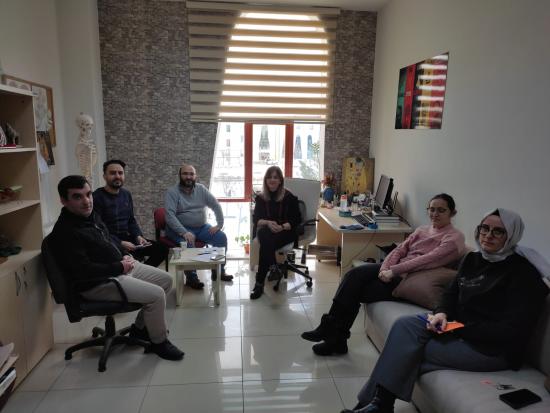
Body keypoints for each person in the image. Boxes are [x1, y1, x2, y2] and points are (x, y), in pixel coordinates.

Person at [341, 208, 549, 413]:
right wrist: (441, 313)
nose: (488, 235)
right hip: (457, 328)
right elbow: (450, 293)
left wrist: (457, 329)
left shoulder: (524, 274)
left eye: (498, 231)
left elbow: (510, 330)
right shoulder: (474, 259)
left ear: (511, 235)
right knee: (404, 326)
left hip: (491, 350)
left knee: (407, 350)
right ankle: (377, 404)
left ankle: (378, 405)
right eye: (484, 228)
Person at [302, 193, 465, 356]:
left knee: (357, 291)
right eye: (432, 209)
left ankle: (334, 338)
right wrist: (385, 268)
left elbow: (426, 260)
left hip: (408, 279)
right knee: (352, 275)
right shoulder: (422, 229)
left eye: (441, 210)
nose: (435, 214)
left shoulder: (454, 238)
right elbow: (400, 249)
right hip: (396, 269)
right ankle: (333, 335)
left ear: (452, 213)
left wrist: (393, 271)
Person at [51, 175, 184, 361]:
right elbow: (84, 270)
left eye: (88, 194)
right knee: (156, 295)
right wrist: (119, 266)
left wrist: (123, 253)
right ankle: (159, 343)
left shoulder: (90, 216)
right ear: (64, 201)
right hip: (98, 282)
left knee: (166, 280)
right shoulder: (66, 232)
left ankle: (140, 329)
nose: (86, 201)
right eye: (77, 197)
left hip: (118, 267)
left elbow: (108, 239)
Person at [164, 164, 233, 289]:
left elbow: (215, 205)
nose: (188, 177)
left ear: (195, 176)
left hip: (201, 227)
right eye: (185, 174)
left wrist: (219, 224)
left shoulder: (201, 189)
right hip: (179, 229)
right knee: (189, 243)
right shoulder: (172, 192)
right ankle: (192, 278)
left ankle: (218, 270)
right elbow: (169, 216)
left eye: (191, 174)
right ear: (180, 175)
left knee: (221, 237)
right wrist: (184, 232)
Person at [93, 159, 167, 268]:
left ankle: (142, 274)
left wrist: (138, 236)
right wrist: (120, 243)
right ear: (104, 176)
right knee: (131, 260)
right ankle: (137, 271)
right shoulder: (96, 197)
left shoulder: (126, 194)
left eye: (120, 173)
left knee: (162, 249)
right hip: (109, 241)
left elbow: (131, 220)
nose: (117, 176)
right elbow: (98, 230)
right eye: (113, 173)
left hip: (128, 238)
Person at [250, 166, 301, 300]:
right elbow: (256, 220)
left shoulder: (289, 197)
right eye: (269, 177)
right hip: (268, 231)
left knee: (265, 243)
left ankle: (259, 283)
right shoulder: (261, 198)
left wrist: (282, 226)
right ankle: (272, 267)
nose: (272, 180)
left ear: (280, 181)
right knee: (264, 235)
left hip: (286, 232)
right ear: (265, 180)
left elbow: (297, 219)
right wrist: (268, 223)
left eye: (275, 177)